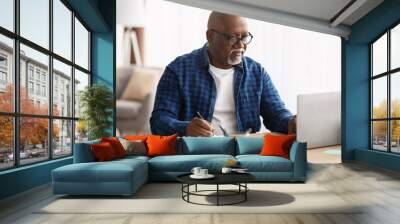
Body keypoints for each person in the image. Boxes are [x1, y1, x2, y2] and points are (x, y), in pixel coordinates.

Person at [150, 11, 296, 137]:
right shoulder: (178, 70)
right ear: (211, 36)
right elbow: (159, 121)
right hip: (198, 153)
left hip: (245, 154)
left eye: (245, 37)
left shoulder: (256, 72)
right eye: (233, 38)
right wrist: (186, 128)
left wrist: (291, 122)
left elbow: (276, 114)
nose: (240, 45)